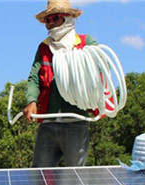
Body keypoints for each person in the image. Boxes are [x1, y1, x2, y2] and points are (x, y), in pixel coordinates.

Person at [23, 0, 98, 168]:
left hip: (75, 121)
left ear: (68, 18)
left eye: (55, 18)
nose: (50, 23)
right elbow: (34, 78)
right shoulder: (44, 48)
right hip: (48, 122)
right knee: (39, 174)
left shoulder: (86, 44)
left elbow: (101, 67)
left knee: (75, 176)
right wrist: (31, 101)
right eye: (47, 20)